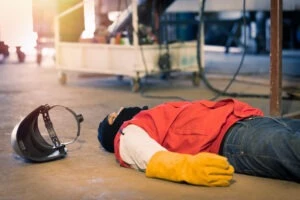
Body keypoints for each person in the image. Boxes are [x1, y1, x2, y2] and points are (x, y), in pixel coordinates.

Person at [97, 98, 300, 186]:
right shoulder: (128, 130)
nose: (121, 109)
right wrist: (186, 167)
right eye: (114, 115)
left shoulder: (156, 114)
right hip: (233, 140)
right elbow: (142, 150)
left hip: (249, 120)